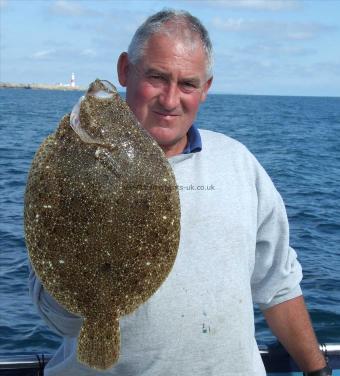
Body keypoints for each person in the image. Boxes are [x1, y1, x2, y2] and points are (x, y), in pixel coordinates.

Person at [29, 9, 331, 376]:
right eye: (156, 77)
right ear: (125, 70)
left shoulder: (240, 164)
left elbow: (278, 285)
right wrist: (88, 283)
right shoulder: (72, 169)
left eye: (187, 84)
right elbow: (59, 319)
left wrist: (317, 370)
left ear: (206, 88)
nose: (170, 100)